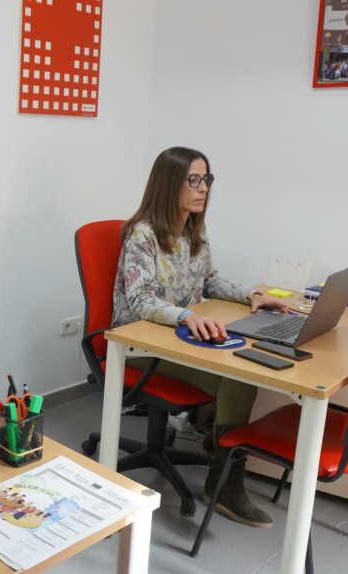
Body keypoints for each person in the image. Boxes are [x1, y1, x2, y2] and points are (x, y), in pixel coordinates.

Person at [112, 146, 289, 528]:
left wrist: (252, 295)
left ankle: (221, 455)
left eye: (206, 179)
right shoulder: (142, 234)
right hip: (139, 344)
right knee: (237, 377)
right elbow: (140, 300)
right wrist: (187, 315)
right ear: (168, 184)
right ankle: (223, 470)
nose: (204, 188)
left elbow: (210, 281)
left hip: (177, 338)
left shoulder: (195, 230)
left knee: (243, 364)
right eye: (193, 180)